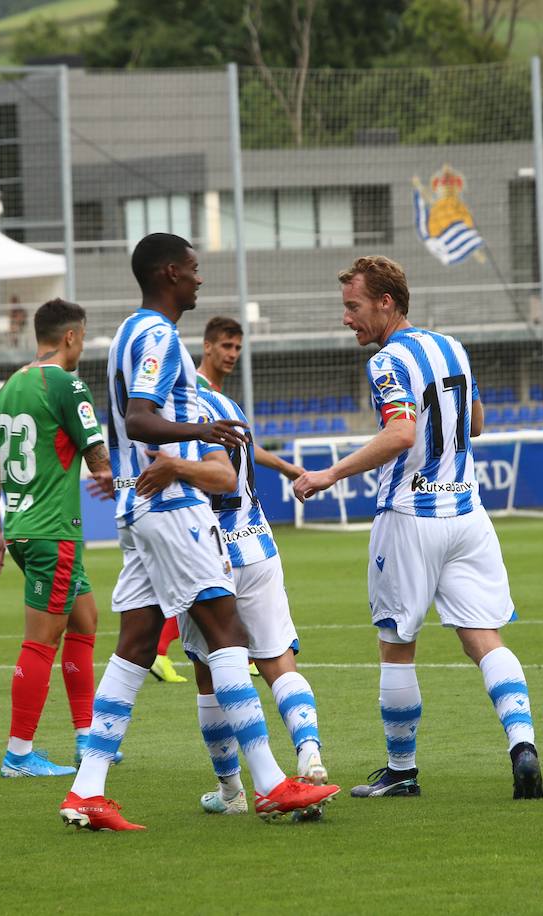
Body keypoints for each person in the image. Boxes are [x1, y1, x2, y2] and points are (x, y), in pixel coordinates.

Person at [60, 233, 339, 831]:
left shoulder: (128, 336)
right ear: (168, 274)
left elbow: (129, 418)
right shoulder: (157, 335)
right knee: (225, 629)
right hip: (173, 506)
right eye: (192, 270)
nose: (199, 279)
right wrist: (204, 429)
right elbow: (139, 418)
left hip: (142, 510)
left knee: (135, 645)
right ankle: (269, 784)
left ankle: (86, 790)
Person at [293, 255, 543, 801]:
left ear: (386, 302)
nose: (347, 318)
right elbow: (476, 422)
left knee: (396, 644)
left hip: (410, 517)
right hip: (468, 515)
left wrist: (331, 473)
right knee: (484, 638)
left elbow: (402, 433)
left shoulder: (387, 361)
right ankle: (522, 745)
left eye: (353, 306)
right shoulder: (452, 346)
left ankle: (402, 772)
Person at [163, 314, 327, 815]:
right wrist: (285, 466)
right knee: (279, 659)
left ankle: (233, 789)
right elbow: (242, 456)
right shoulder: (226, 405)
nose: (233, 354)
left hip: (211, 555)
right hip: (259, 547)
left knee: (209, 671)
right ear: (206, 348)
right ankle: (309, 751)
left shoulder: (181, 410)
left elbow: (222, 474)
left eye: (238, 346)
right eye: (226, 346)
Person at [0, 298, 115, 778]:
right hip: (51, 528)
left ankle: (87, 738)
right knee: (42, 640)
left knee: (85, 619)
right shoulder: (66, 382)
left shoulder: (11, 385)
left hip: (22, 527)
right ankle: (19, 754)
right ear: (71, 337)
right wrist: (107, 475)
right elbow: (95, 449)